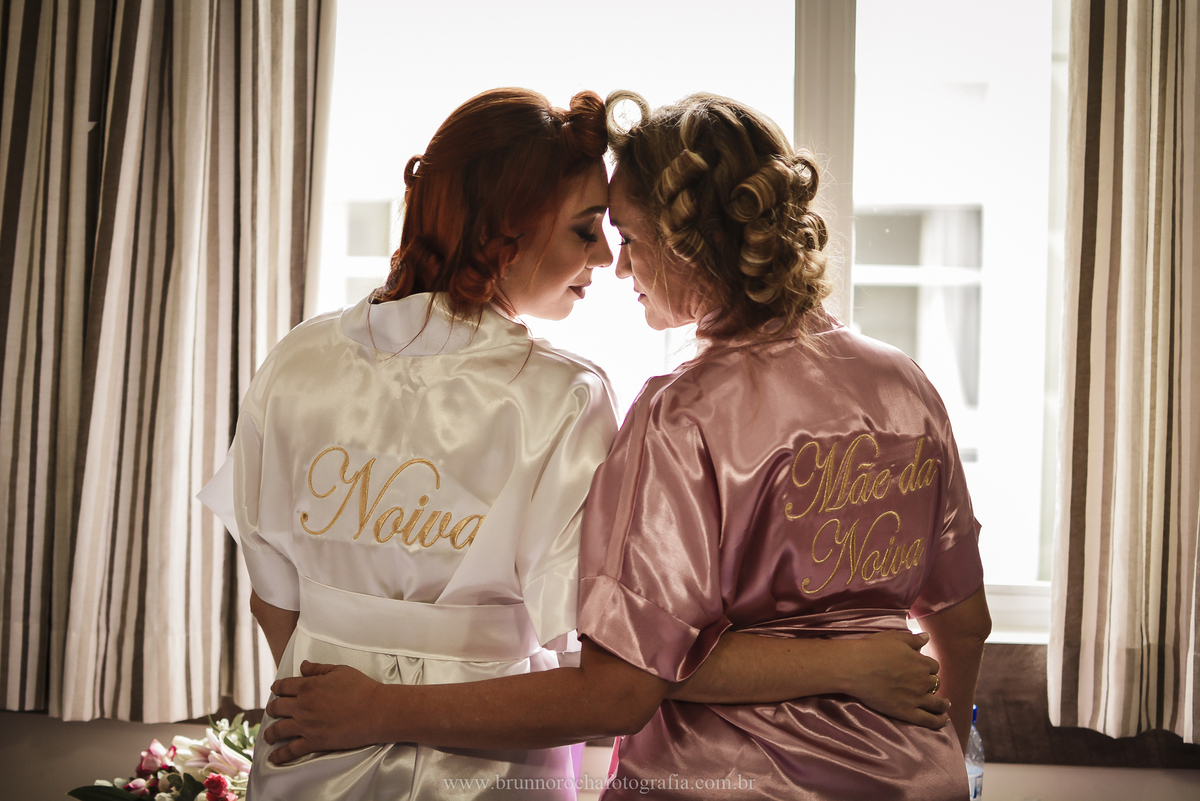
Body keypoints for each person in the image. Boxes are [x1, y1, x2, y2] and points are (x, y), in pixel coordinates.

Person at [260, 90, 985, 801]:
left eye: (629, 238)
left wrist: (374, 700)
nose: (618, 265)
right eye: (596, 233)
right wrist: (933, 756)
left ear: (691, 245)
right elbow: (964, 620)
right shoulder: (906, 385)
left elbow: (628, 678)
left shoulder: (681, 414)